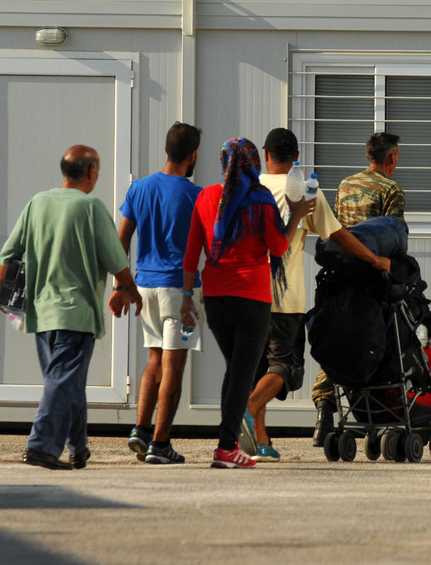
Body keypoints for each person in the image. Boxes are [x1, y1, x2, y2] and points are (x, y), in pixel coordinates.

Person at [241, 128, 392, 462]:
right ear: (296, 157)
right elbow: (338, 235)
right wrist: (374, 259)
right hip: (284, 299)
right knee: (285, 366)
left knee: (257, 371)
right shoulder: (302, 190)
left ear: (266, 155)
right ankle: (248, 409)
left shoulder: (250, 188)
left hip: (247, 295)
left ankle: (260, 439)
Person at [0, 145, 142, 470]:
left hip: (41, 314)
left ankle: (78, 448)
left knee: (67, 383)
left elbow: (9, 252)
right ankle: (41, 447)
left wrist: (1, 291)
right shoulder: (91, 207)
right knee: (62, 382)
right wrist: (130, 291)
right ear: (90, 171)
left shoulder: (37, 202)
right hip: (76, 313)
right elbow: (116, 259)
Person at [180, 138, 314, 469]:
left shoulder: (206, 196)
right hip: (252, 298)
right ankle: (226, 448)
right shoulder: (261, 199)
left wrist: (186, 296)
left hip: (215, 298)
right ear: (255, 163)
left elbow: (192, 251)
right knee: (241, 373)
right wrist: (296, 215)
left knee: (235, 370)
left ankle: (228, 446)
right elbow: (278, 247)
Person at [110, 123, 204, 465]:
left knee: (154, 360)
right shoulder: (197, 195)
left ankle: (141, 429)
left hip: (145, 286)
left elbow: (121, 239)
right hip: (180, 290)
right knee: (173, 366)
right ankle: (161, 444)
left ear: (166, 149)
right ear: (193, 155)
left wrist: (120, 286)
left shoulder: (139, 188)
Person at [311, 131, 407, 446]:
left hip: (340, 277)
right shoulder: (391, 189)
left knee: (337, 340)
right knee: (373, 341)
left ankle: (325, 411)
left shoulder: (345, 185)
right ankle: (375, 414)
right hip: (370, 280)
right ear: (391, 157)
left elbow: (340, 232)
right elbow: (394, 239)